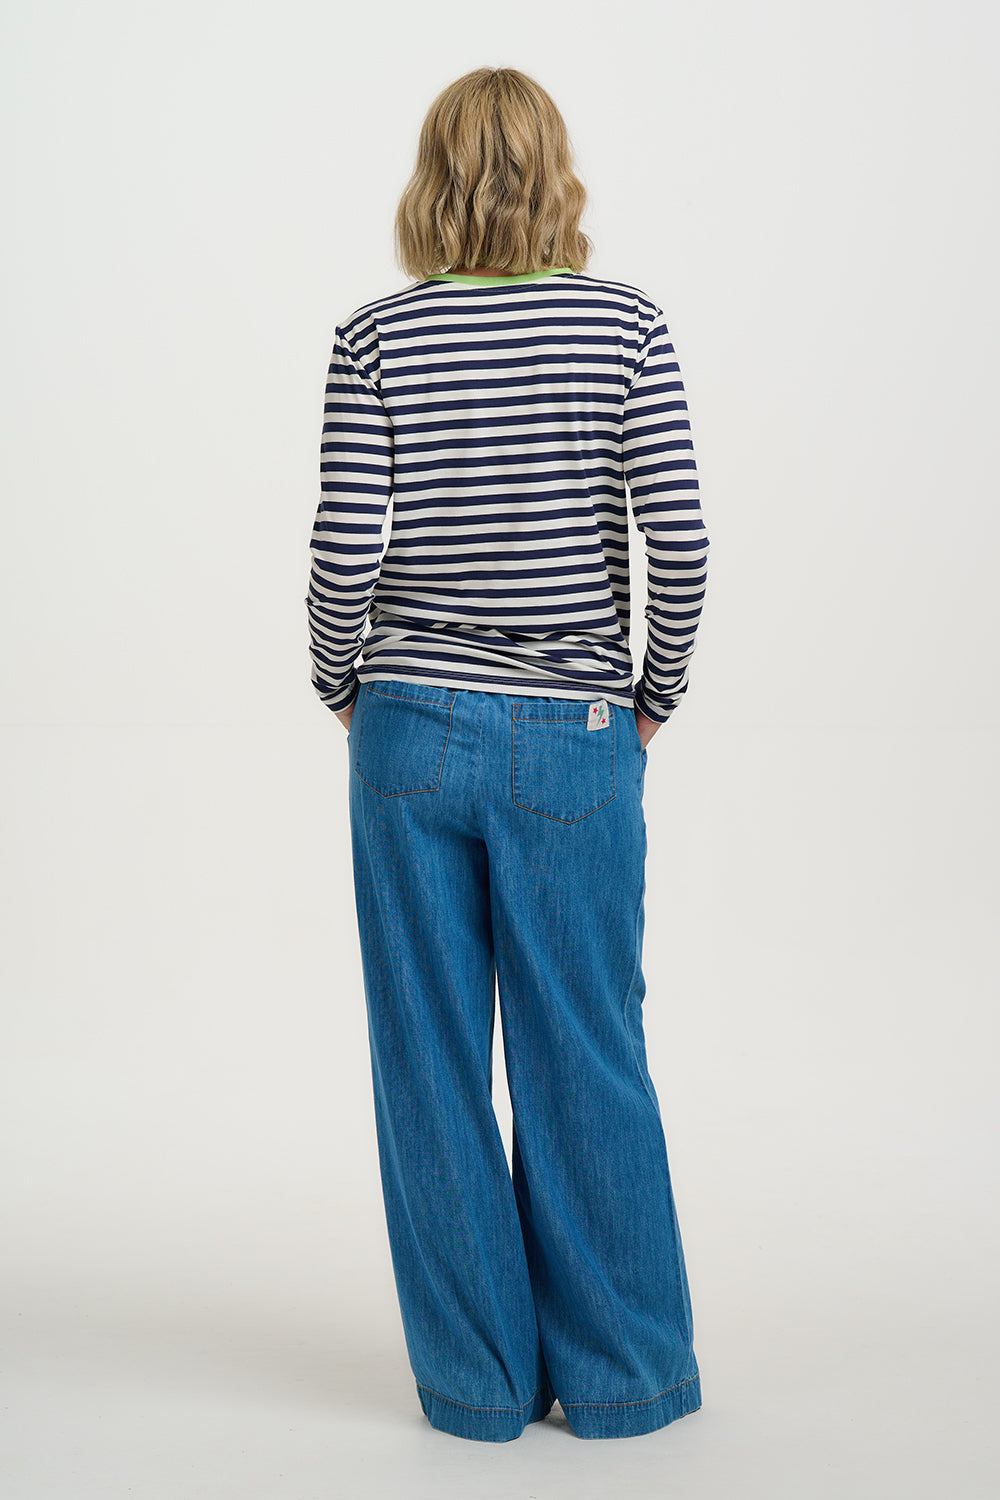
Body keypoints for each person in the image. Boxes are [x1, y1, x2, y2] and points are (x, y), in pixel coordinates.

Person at [304, 66, 710, 1443]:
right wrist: (655, 698)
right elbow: (686, 543)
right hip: (579, 742)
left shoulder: (376, 339)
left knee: (427, 1058)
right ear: (558, 176)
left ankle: (477, 1389)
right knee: (586, 1050)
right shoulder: (626, 329)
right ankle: (625, 1377)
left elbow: (343, 549)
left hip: (409, 731)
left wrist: (340, 686)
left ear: (430, 182)